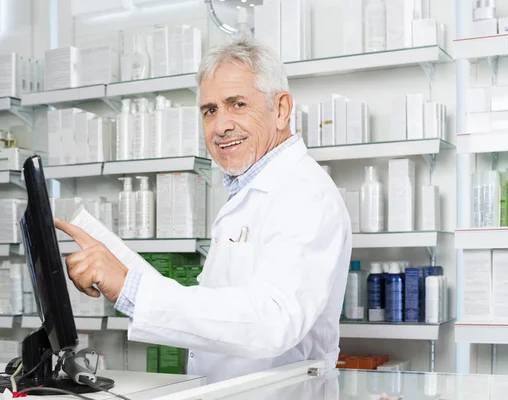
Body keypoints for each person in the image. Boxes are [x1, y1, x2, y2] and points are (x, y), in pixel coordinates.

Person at [55, 36, 352, 384]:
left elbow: (272, 322)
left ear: (282, 109)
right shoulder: (248, 190)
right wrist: (120, 271)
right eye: (210, 110)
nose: (221, 125)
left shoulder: (304, 193)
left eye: (237, 104)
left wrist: (130, 288)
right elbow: (214, 306)